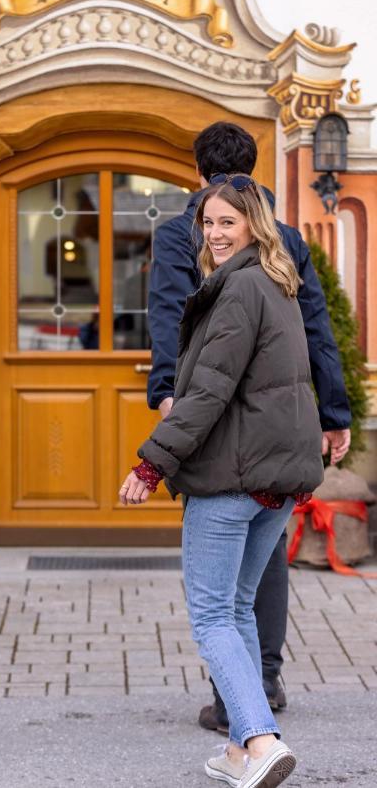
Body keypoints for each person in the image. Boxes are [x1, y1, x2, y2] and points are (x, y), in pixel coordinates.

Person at [119, 171, 327, 786]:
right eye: (206, 223)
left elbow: (207, 393)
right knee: (236, 608)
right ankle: (243, 749)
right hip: (276, 477)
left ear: (252, 225)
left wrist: (151, 463)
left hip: (235, 475)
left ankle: (261, 739)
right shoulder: (275, 282)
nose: (213, 233)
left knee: (212, 615)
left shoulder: (237, 292)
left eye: (226, 222)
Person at [147, 122, 351, 733]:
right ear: (252, 166)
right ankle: (265, 679)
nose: (215, 231)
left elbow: (168, 316)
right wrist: (334, 411)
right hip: (275, 418)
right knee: (264, 554)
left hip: (212, 409)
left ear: (198, 168)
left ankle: (238, 704)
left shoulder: (178, 231)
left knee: (219, 559)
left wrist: (165, 393)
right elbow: (315, 326)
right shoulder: (282, 234)